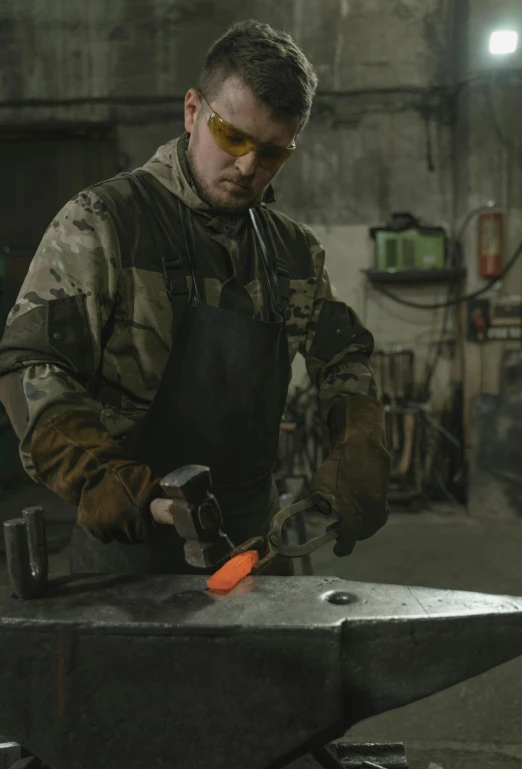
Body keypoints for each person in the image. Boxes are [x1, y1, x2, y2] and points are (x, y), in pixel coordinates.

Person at [0, 20, 390, 574]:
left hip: (256, 546)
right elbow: (29, 365)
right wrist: (100, 476)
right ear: (192, 111)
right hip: (131, 543)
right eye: (233, 137)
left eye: (274, 153)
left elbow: (342, 358)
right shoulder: (104, 222)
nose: (249, 167)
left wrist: (359, 446)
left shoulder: (293, 252)